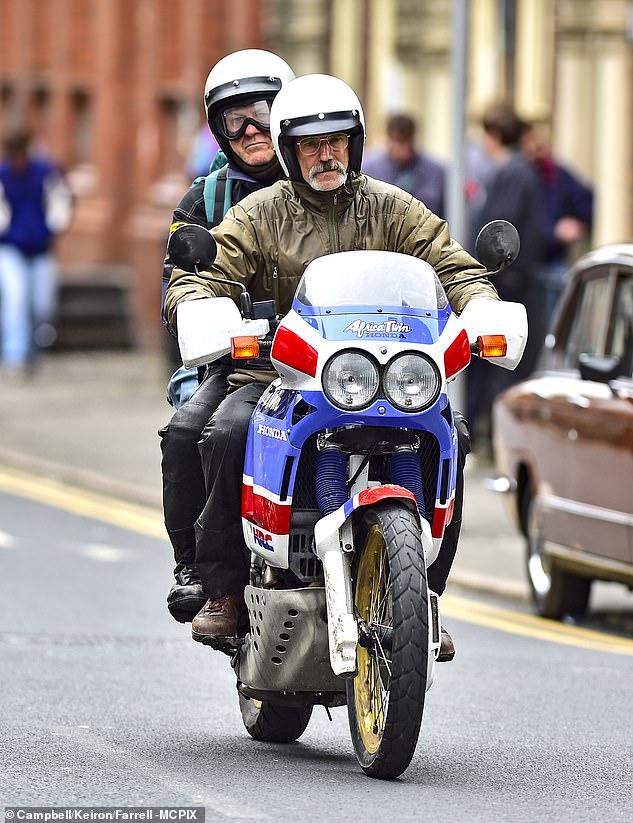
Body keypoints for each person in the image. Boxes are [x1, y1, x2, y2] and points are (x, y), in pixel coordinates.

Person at [164, 74, 503, 660]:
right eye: (311, 145)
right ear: (290, 152)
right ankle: (220, 590)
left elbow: (453, 265)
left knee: (453, 437)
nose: (326, 154)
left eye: (338, 141)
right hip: (278, 373)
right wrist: (201, 306)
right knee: (227, 431)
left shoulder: (391, 208)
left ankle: (425, 594)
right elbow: (204, 272)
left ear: (356, 142)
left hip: (384, 372)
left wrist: (486, 309)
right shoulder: (258, 213)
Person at [158, 49, 295, 624]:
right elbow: (176, 277)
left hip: (339, 358)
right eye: (234, 119)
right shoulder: (206, 197)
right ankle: (202, 572)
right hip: (241, 357)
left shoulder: (323, 177)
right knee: (190, 432)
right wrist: (198, 312)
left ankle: (416, 592)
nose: (249, 130)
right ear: (217, 129)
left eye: (261, 112)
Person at [467, 102, 542, 454]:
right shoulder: (516, 171)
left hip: (508, 285)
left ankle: (494, 444)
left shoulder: (513, 173)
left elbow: (497, 229)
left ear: (494, 136)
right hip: (510, 282)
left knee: (500, 369)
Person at [0, 126, 72, 375]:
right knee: (16, 299)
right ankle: (15, 354)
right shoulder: (3, 175)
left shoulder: (44, 172)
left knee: (42, 304)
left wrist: (54, 227)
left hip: (41, 249)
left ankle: (33, 348)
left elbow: (59, 202)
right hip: (10, 248)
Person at [521, 121, 593, 319]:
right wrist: (552, 231)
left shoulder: (555, 174)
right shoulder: (518, 175)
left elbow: (588, 201)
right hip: (526, 265)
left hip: (552, 261)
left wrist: (574, 224)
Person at [363, 113, 445, 217]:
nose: (400, 148)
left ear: (413, 140)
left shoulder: (435, 172)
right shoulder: (368, 169)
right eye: (396, 141)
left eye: (404, 142)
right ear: (388, 139)